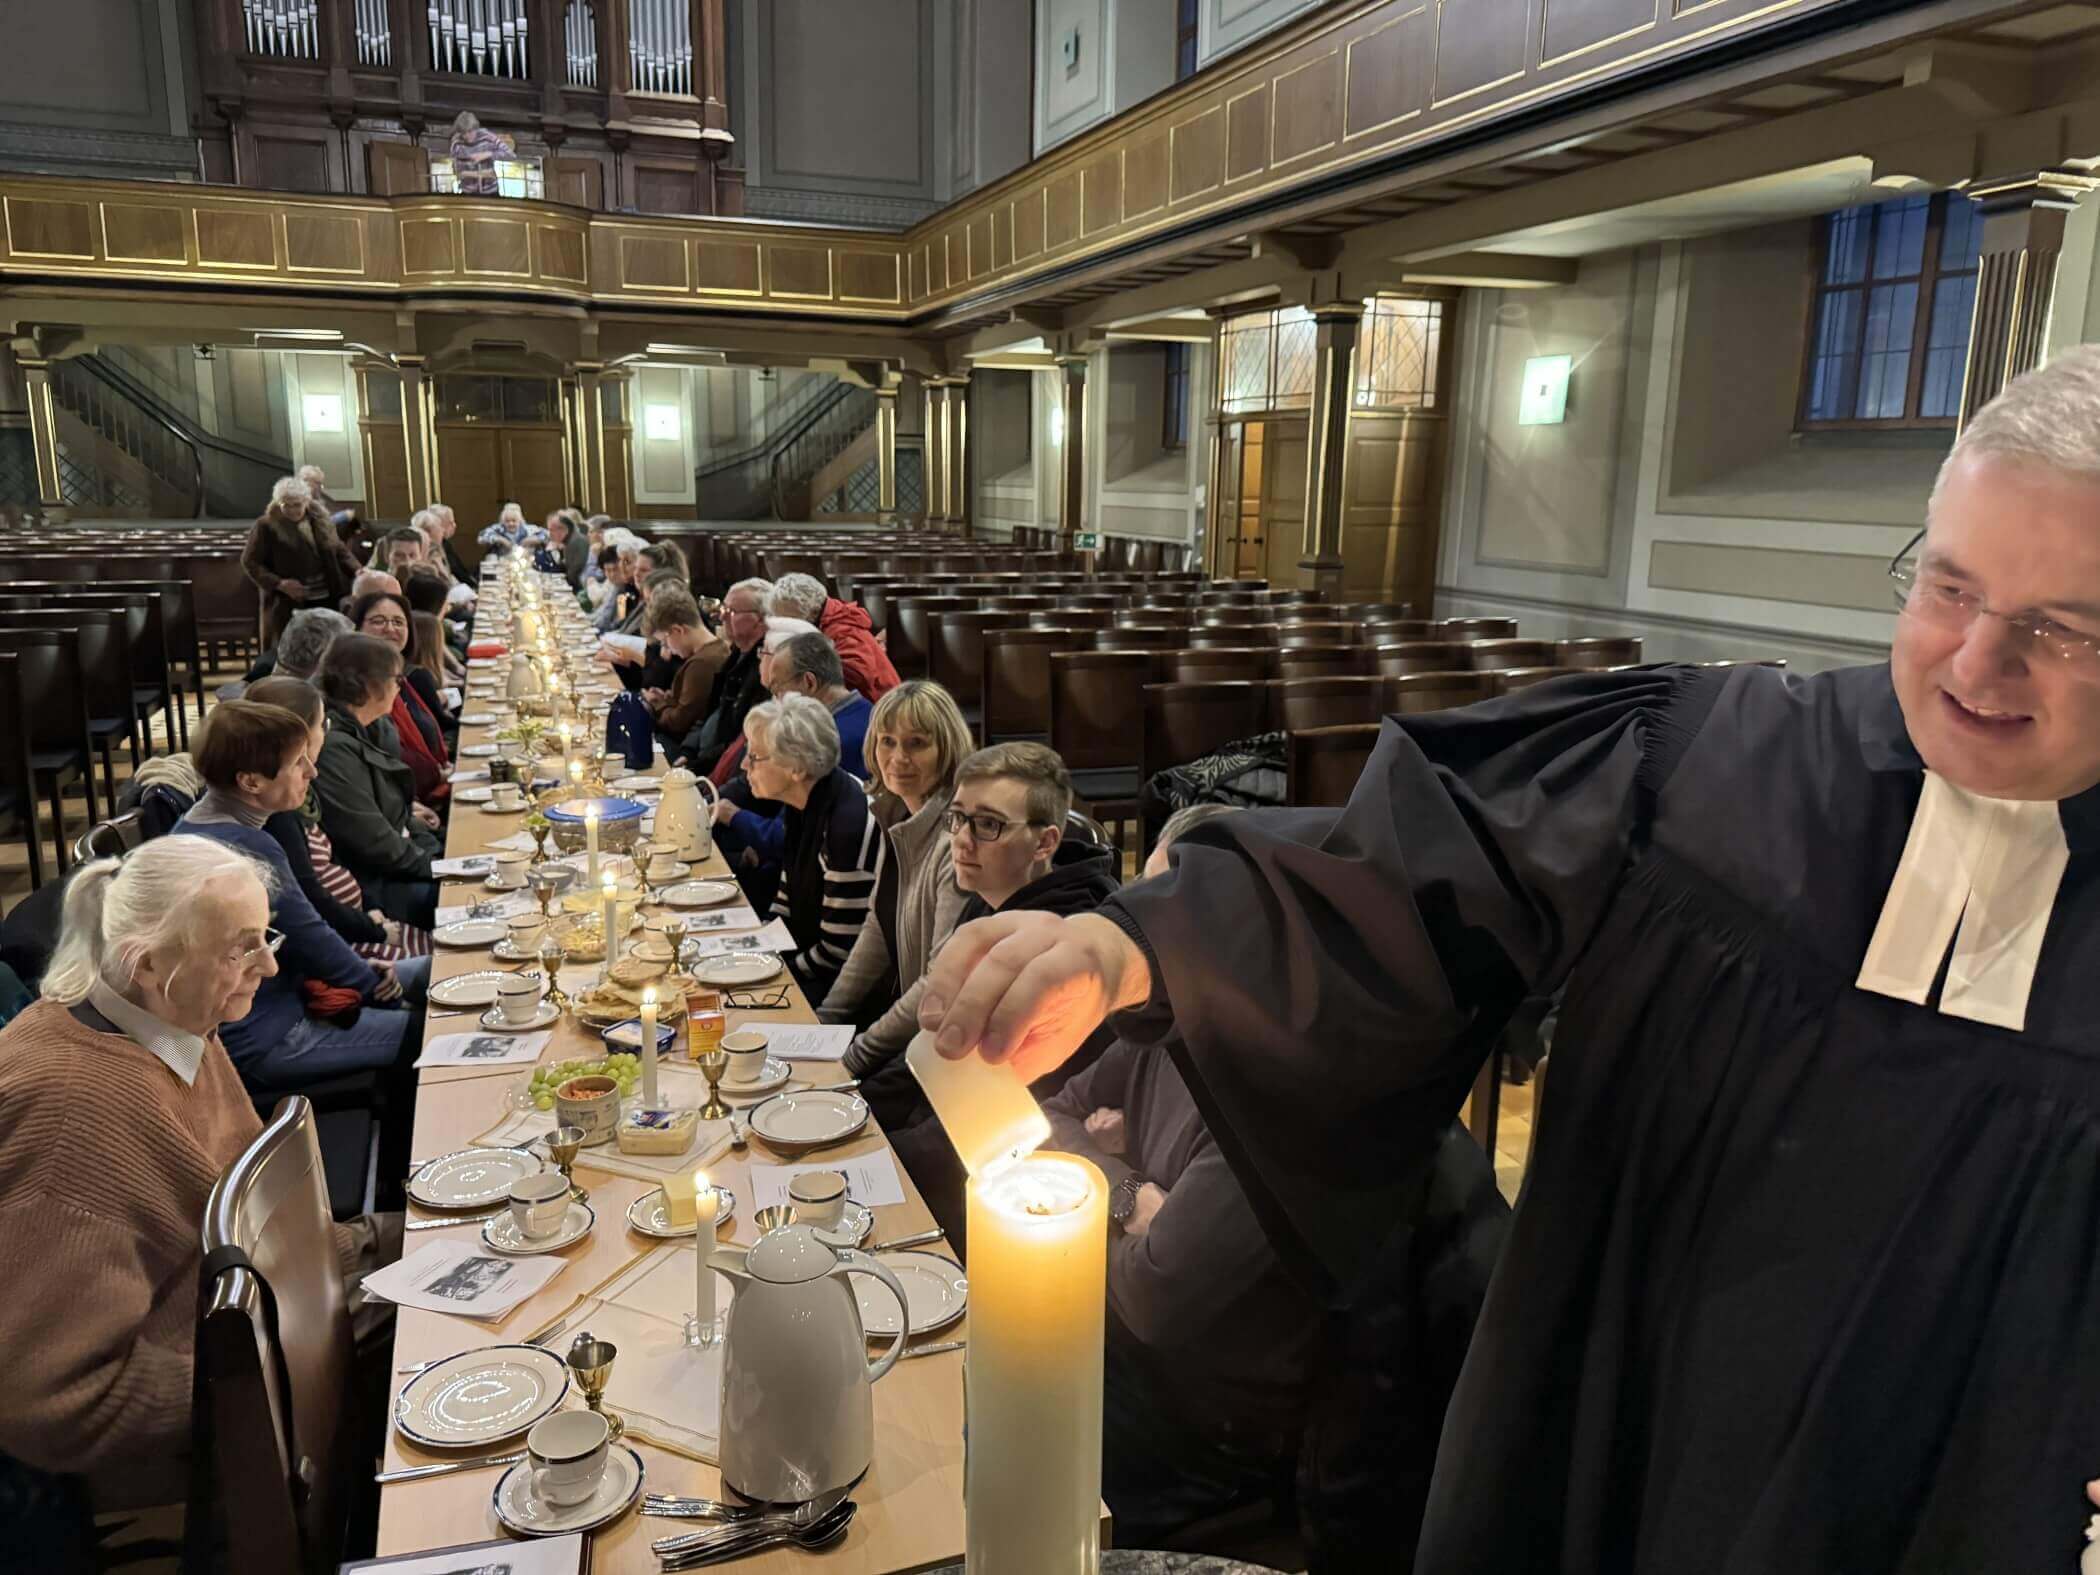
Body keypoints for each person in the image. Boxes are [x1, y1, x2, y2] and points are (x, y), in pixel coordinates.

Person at [919, 348, 2100, 1571]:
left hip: (1970, 1475)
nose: (1973, 666)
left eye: (2058, 630)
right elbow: (1405, 876)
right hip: (1623, 1402)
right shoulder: (1709, 764)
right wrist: (1132, 944)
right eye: (1949, 588)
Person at [1042, 802, 1329, 1548]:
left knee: (1007, 1433)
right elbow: (1048, 1117)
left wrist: (1093, 1185)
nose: (1145, 937)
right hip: (1141, 1350)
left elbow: (1153, 1300)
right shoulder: (1162, 1019)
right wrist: (1131, 1188)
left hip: (1221, 1428)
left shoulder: (1276, 1081)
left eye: (1171, 912)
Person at [0, 839, 279, 1513]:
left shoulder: (174, 1020)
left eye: (267, 937)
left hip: (249, 1307)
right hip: (195, 1441)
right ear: (150, 963)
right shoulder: (74, 1112)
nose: (269, 965)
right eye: (242, 947)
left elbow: (244, 1195)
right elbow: (50, 1400)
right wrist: (265, 1369)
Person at [886, 742, 1118, 1240]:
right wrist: (853, 1102)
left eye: (988, 825)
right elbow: (931, 1051)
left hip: (994, 1199)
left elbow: (997, 1121)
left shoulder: (1066, 945)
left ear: (1044, 843)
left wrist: (879, 1154)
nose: (962, 842)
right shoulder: (989, 903)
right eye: (958, 819)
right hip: (927, 1146)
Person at [174, 701, 419, 1093]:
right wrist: (378, 992)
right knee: (429, 1031)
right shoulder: (245, 847)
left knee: (431, 974)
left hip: (285, 1000)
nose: (313, 771)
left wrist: (363, 973)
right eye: (297, 763)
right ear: (251, 782)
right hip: (270, 1034)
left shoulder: (197, 823)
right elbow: (311, 936)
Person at [823, 681, 973, 1085]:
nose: (898, 757)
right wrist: (824, 1019)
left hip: (942, 1048)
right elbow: (878, 927)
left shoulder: (954, 841)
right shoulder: (898, 815)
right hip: (908, 1029)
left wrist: (855, 1056)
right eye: (887, 741)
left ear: (947, 750)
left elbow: (936, 981)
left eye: (917, 743)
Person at [244, 677, 430, 968]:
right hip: (351, 940)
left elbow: (335, 861)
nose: (326, 732)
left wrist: (370, 909)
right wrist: (373, 928)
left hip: (363, 916)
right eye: (323, 725)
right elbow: (310, 900)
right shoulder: (279, 811)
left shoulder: (294, 795)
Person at [743, 694, 884, 1002]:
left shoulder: (847, 829)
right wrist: (755, 948)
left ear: (795, 768)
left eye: (754, 757)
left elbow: (837, 952)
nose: (744, 766)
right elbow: (786, 899)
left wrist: (769, 972)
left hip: (843, 993)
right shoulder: (803, 801)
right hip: (810, 962)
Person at [313, 634, 440, 928]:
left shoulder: (375, 727)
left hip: (405, 864)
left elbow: (401, 816)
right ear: (369, 685)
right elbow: (374, 842)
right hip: (377, 888)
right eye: (396, 678)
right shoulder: (333, 750)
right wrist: (440, 867)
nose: (401, 685)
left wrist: (439, 856)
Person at [351, 590, 451, 806]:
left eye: (398, 622)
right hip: (414, 803)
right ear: (356, 628)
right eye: (378, 621)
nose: (389, 629)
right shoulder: (359, 692)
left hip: (436, 787)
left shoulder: (406, 679)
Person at [241, 473, 362, 650]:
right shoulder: (266, 526)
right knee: (294, 648)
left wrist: (358, 569)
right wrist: (279, 583)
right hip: (290, 600)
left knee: (329, 645)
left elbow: (338, 549)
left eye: (297, 505)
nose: (292, 511)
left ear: (307, 502)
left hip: (327, 594)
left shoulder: (320, 519)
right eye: (286, 506)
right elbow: (250, 562)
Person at [678, 577, 772, 775]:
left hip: (723, 769)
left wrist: (695, 765)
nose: (722, 618)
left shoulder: (764, 667)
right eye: (724, 609)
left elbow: (738, 739)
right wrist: (687, 750)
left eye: (732, 612)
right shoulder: (737, 654)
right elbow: (711, 711)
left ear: (761, 619)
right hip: (700, 756)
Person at [765, 572, 899, 702]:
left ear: (812, 612)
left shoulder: (844, 629)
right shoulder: (829, 621)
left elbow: (859, 675)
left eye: (790, 620)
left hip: (878, 709)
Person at [640, 587, 729, 751]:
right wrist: (666, 699)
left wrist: (656, 704)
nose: (667, 649)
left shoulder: (701, 664)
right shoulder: (715, 648)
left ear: (677, 631)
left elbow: (679, 723)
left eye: (665, 642)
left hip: (681, 745)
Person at [448, 110, 515, 196]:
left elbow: (510, 155)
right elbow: (458, 173)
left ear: (476, 128)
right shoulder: (456, 144)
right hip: (467, 193)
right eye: (464, 133)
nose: (467, 136)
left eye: (470, 131)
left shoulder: (487, 137)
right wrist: (483, 174)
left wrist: (487, 154)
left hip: (491, 192)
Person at [298, 462, 359, 540]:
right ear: (305, 482)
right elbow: (316, 526)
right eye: (317, 483)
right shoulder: (298, 501)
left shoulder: (318, 498)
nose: (320, 487)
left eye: (321, 484)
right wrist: (343, 516)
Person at [545, 509, 589, 588]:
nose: (550, 535)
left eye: (552, 530)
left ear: (564, 529)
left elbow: (575, 572)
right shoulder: (569, 541)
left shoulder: (576, 542)